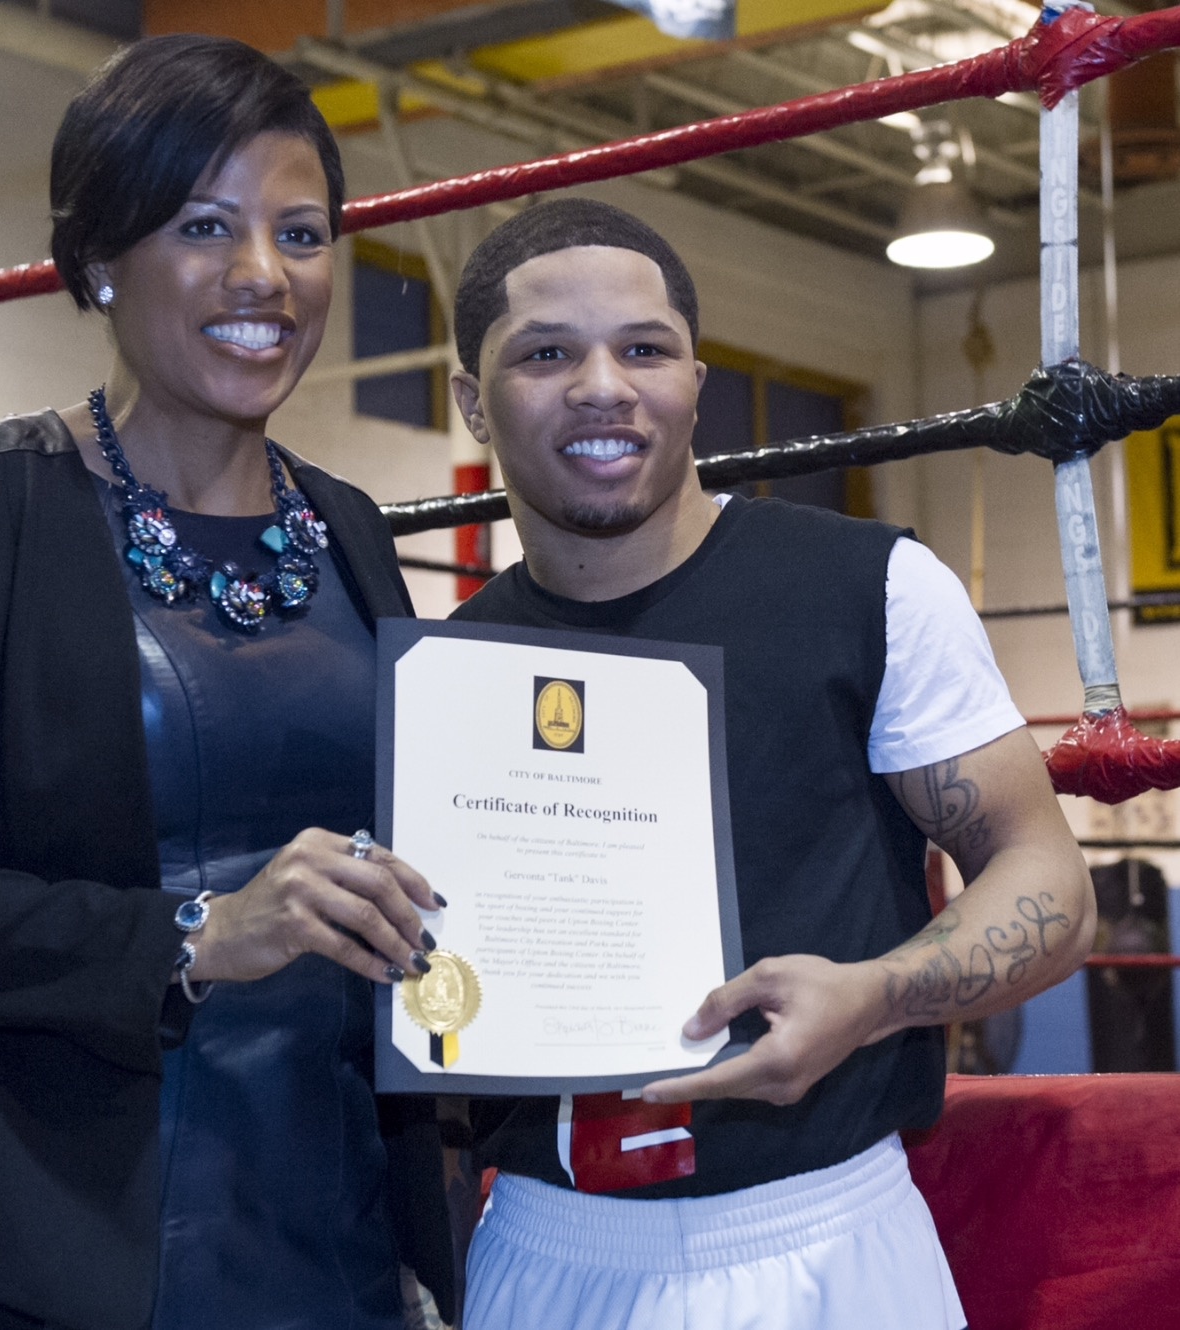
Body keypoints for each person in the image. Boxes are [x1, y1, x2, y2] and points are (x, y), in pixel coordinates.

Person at [0, 35, 455, 1330]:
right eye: (204, 225)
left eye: (301, 233)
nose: (264, 276)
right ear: (94, 258)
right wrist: (193, 936)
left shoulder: (353, 529)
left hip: (330, 1233)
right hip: (33, 1246)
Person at [444, 198, 1094, 1330]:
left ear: (695, 378)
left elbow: (1051, 882)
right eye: (546, 354)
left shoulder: (872, 586)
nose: (603, 384)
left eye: (644, 348)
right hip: (545, 1240)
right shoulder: (447, 675)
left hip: (829, 1233)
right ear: (471, 400)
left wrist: (873, 998)